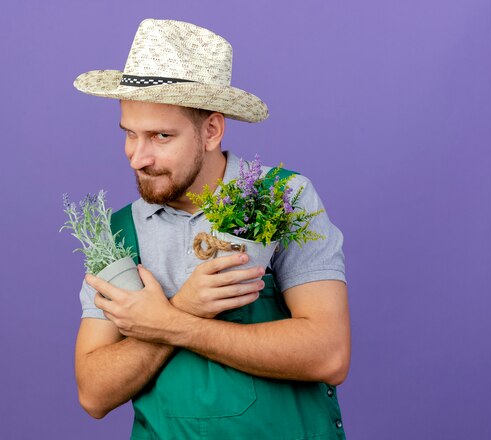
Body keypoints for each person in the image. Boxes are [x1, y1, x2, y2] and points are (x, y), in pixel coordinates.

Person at [73, 18, 351, 440]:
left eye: (161, 136)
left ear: (212, 130)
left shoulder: (281, 199)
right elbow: (94, 393)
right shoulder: (118, 233)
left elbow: (328, 354)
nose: (137, 157)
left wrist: (174, 324)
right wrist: (185, 305)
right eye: (130, 134)